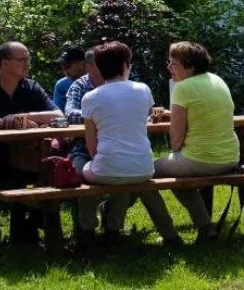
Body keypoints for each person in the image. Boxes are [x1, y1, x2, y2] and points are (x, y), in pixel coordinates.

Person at [75, 41, 182, 246]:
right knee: (131, 179)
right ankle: (122, 228)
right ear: (126, 64)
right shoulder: (143, 90)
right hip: (143, 167)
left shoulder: (90, 97)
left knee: (86, 179)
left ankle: (87, 232)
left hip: (107, 167)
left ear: (99, 67)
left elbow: (91, 145)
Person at [0, 41, 62, 244]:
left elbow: (58, 115)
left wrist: (25, 116)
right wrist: (2, 122)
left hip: (26, 155)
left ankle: (26, 229)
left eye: (28, 59)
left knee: (55, 180)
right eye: (22, 59)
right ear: (4, 63)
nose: (27, 64)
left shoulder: (31, 87)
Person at [155, 41, 239, 243]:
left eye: (173, 63)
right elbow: (204, 112)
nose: (168, 67)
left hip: (202, 160)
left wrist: (175, 120)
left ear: (190, 67)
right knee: (178, 176)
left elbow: (176, 142)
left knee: (145, 170)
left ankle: (113, 215)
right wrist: (174, 115)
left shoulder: (183, 88)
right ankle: (206, 227)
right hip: (230, 158)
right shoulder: (217, 80)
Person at [53, 44, 86, 110]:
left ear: (81, 64)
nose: (65, 72)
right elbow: (58, 112)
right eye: (62, 68)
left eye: (68, 67)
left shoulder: (98, 79)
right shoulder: (61, 85)